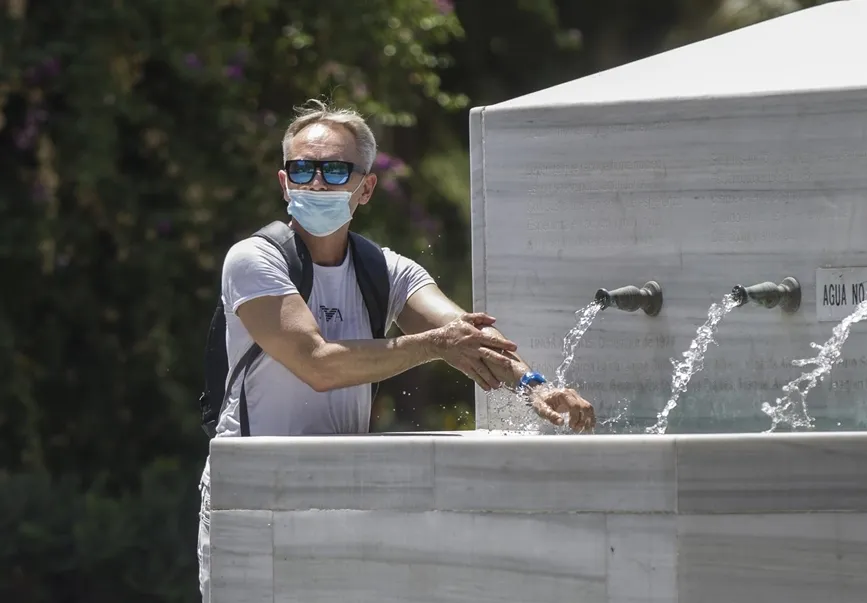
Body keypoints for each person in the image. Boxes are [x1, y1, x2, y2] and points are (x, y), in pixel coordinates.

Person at [196, 99, 596, 600]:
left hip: (345, 488)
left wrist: (534, 385)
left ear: (365, 187)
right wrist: (432, 345)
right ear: (284, 182)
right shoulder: (254, 259)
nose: (316, 183)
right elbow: (318, 364)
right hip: (252, 491)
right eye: (302, 169)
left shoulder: (383, 269)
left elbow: (465, 333)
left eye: (335, 170)